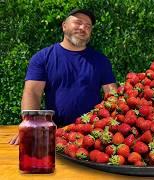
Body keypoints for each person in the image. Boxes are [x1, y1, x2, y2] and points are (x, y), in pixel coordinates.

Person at [9, 9, 117, 145]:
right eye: (78, 23)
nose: (83, 28)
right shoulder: (42, 58)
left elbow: (112, 94)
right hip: (54, 133)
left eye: (88, 26)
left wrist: (113, 128)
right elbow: (33, 92)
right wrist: (30, 125)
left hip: (92, 135)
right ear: (64, 26)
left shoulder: (101, 61)